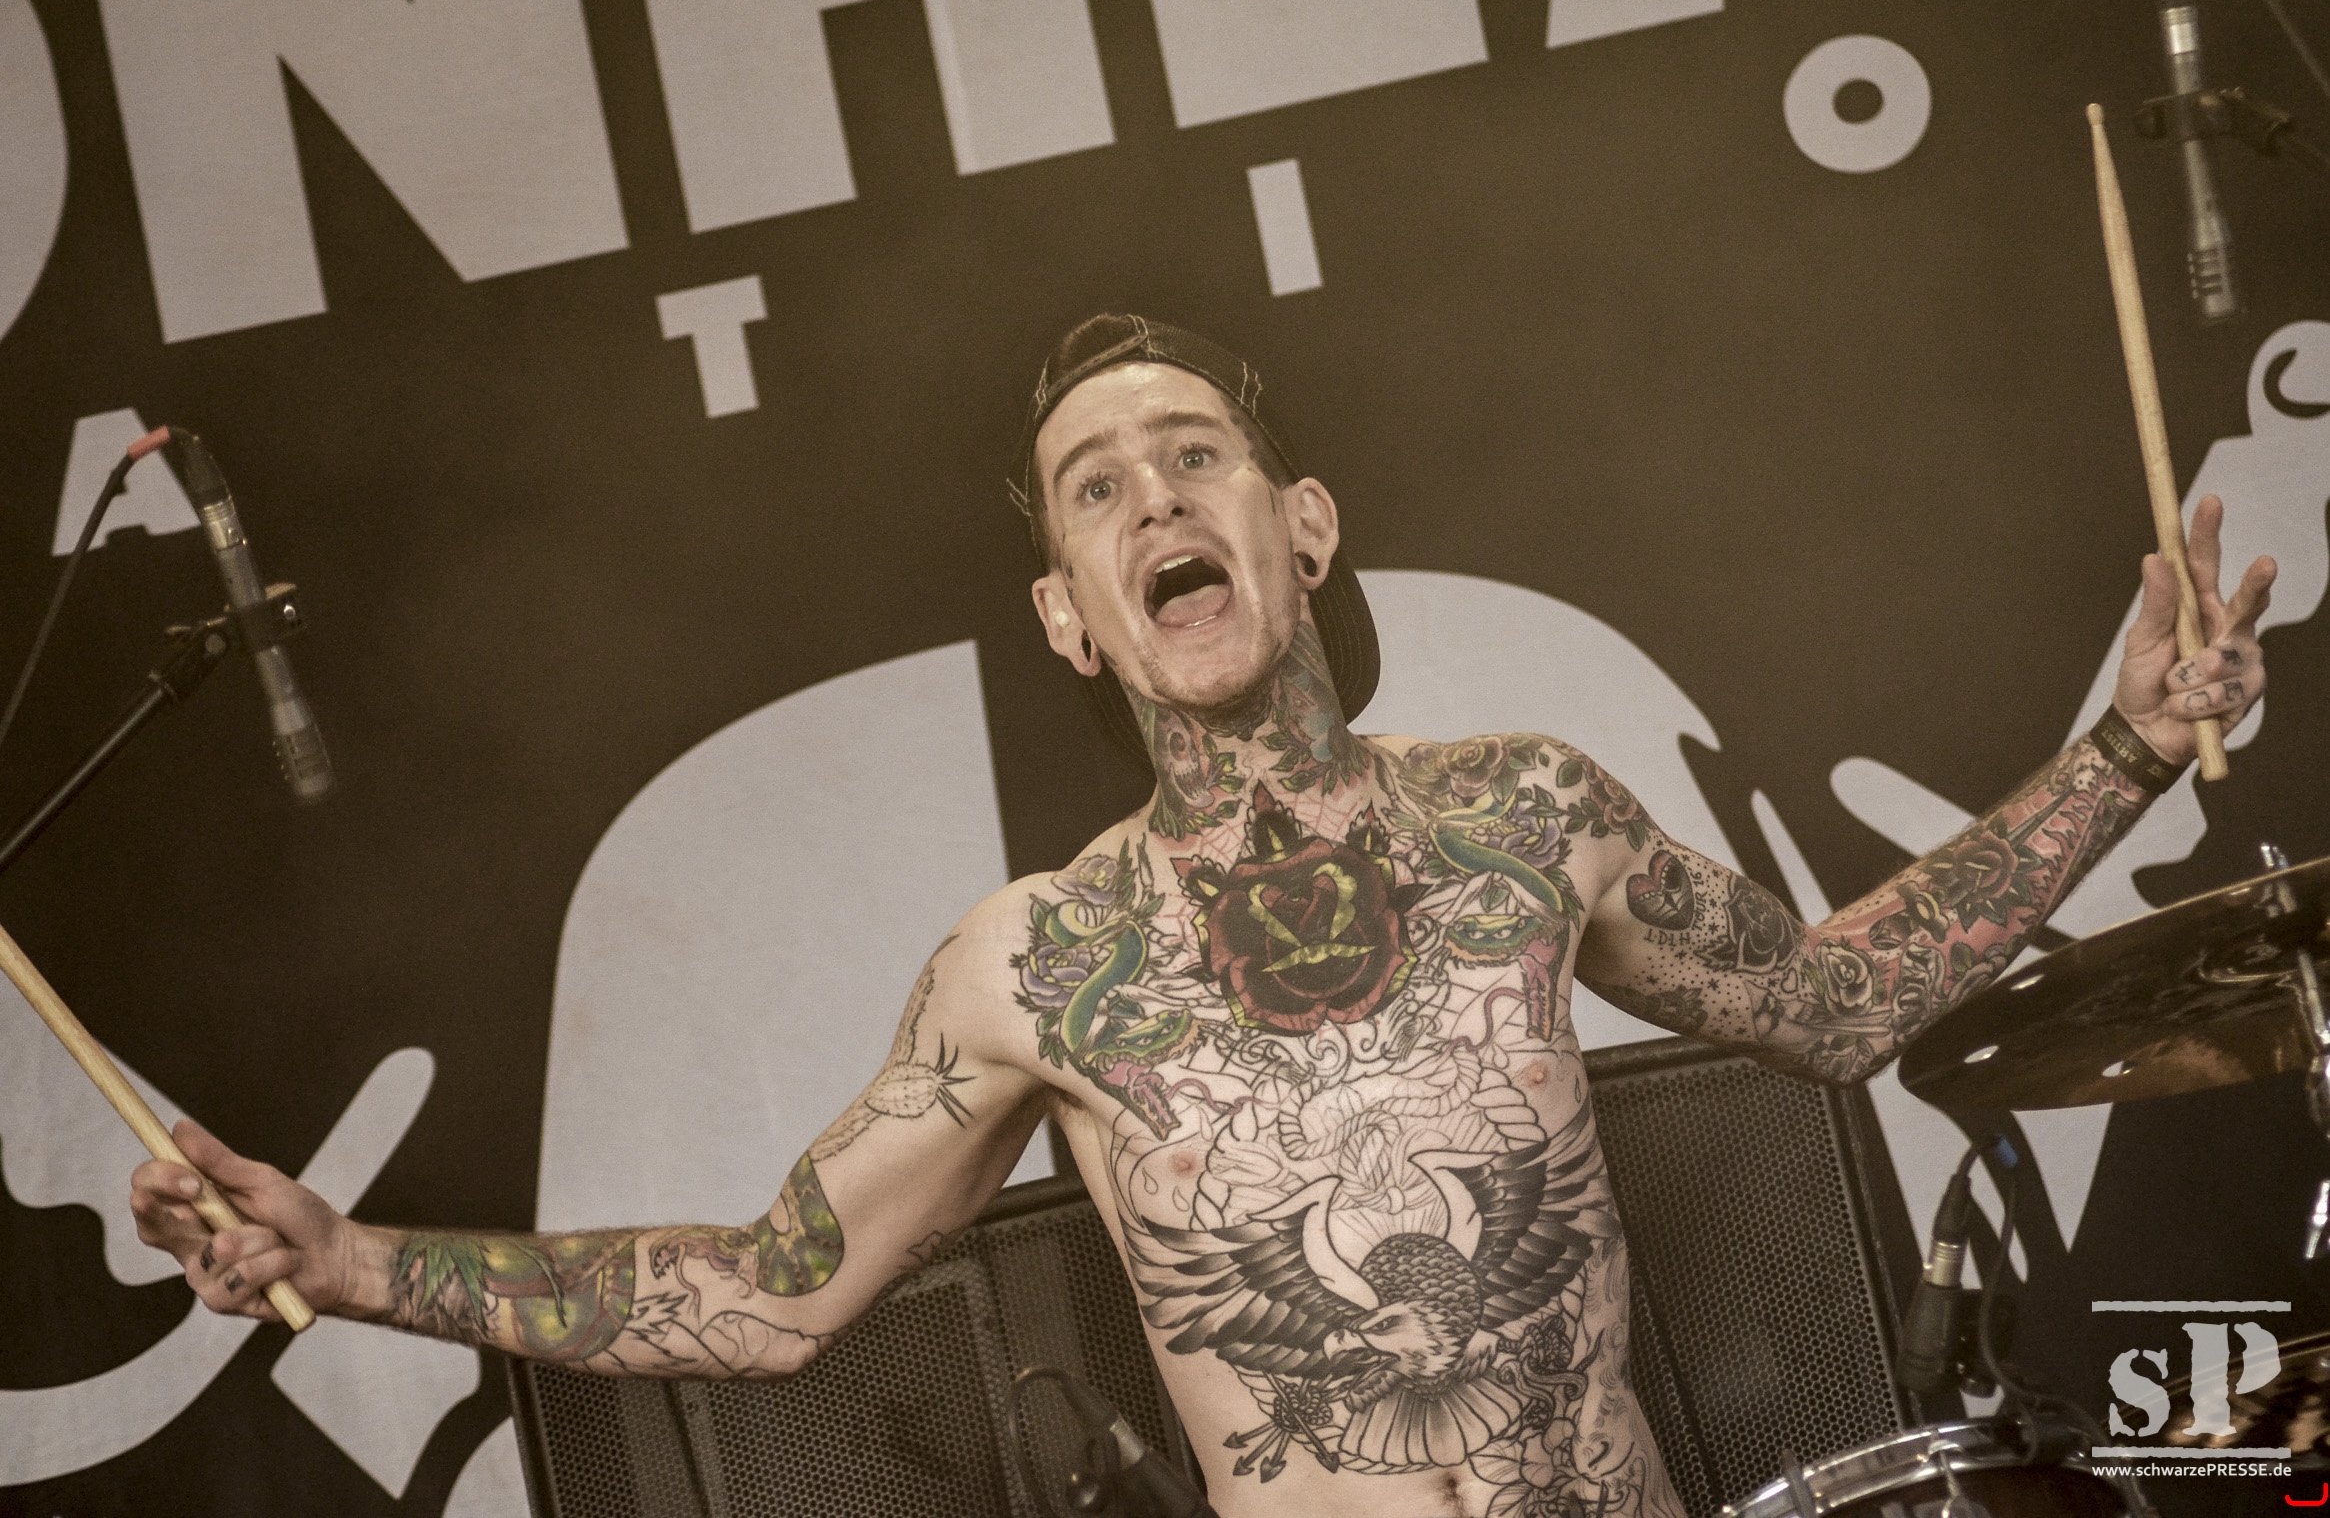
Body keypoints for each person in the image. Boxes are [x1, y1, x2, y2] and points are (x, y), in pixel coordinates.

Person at [131, 316, 2277, 1517]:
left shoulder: (1526, 814)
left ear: (1301, 525)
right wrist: (348, 1261)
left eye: (1195, 454)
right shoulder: (1031, 963)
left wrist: (2126, 743)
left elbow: (1839, 1003)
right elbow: (769, 1296)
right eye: (1099, 486)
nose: (1155, 493)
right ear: (1070, 617)